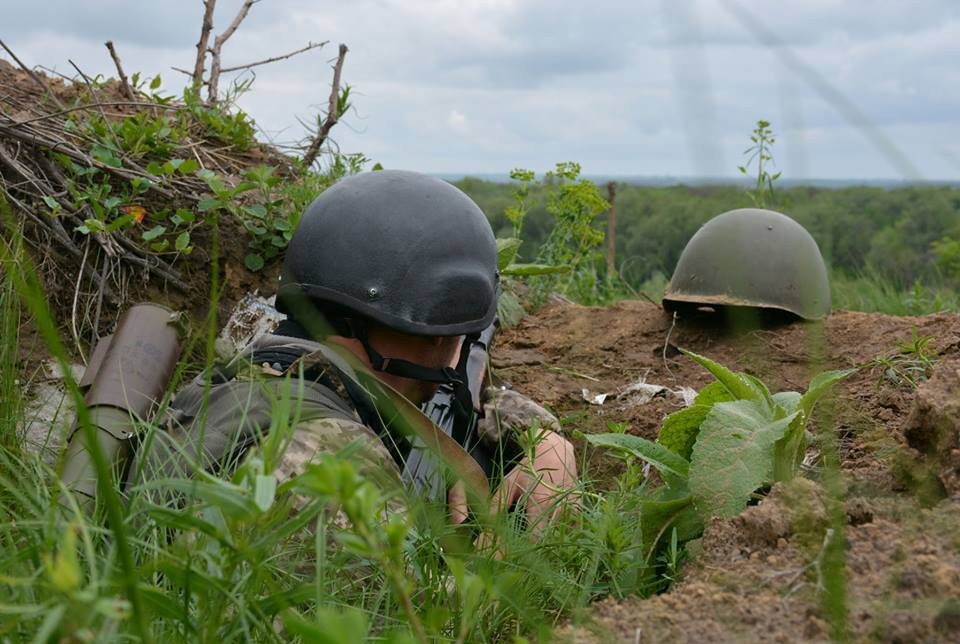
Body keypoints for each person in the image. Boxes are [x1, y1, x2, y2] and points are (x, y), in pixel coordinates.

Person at [131, 170, 577, 531]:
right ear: (434, 333)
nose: (458, 358)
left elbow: (463, 396)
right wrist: (491, 565)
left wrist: (547, 443)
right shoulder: (333, 459)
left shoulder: (249, 379)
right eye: (457, 335)